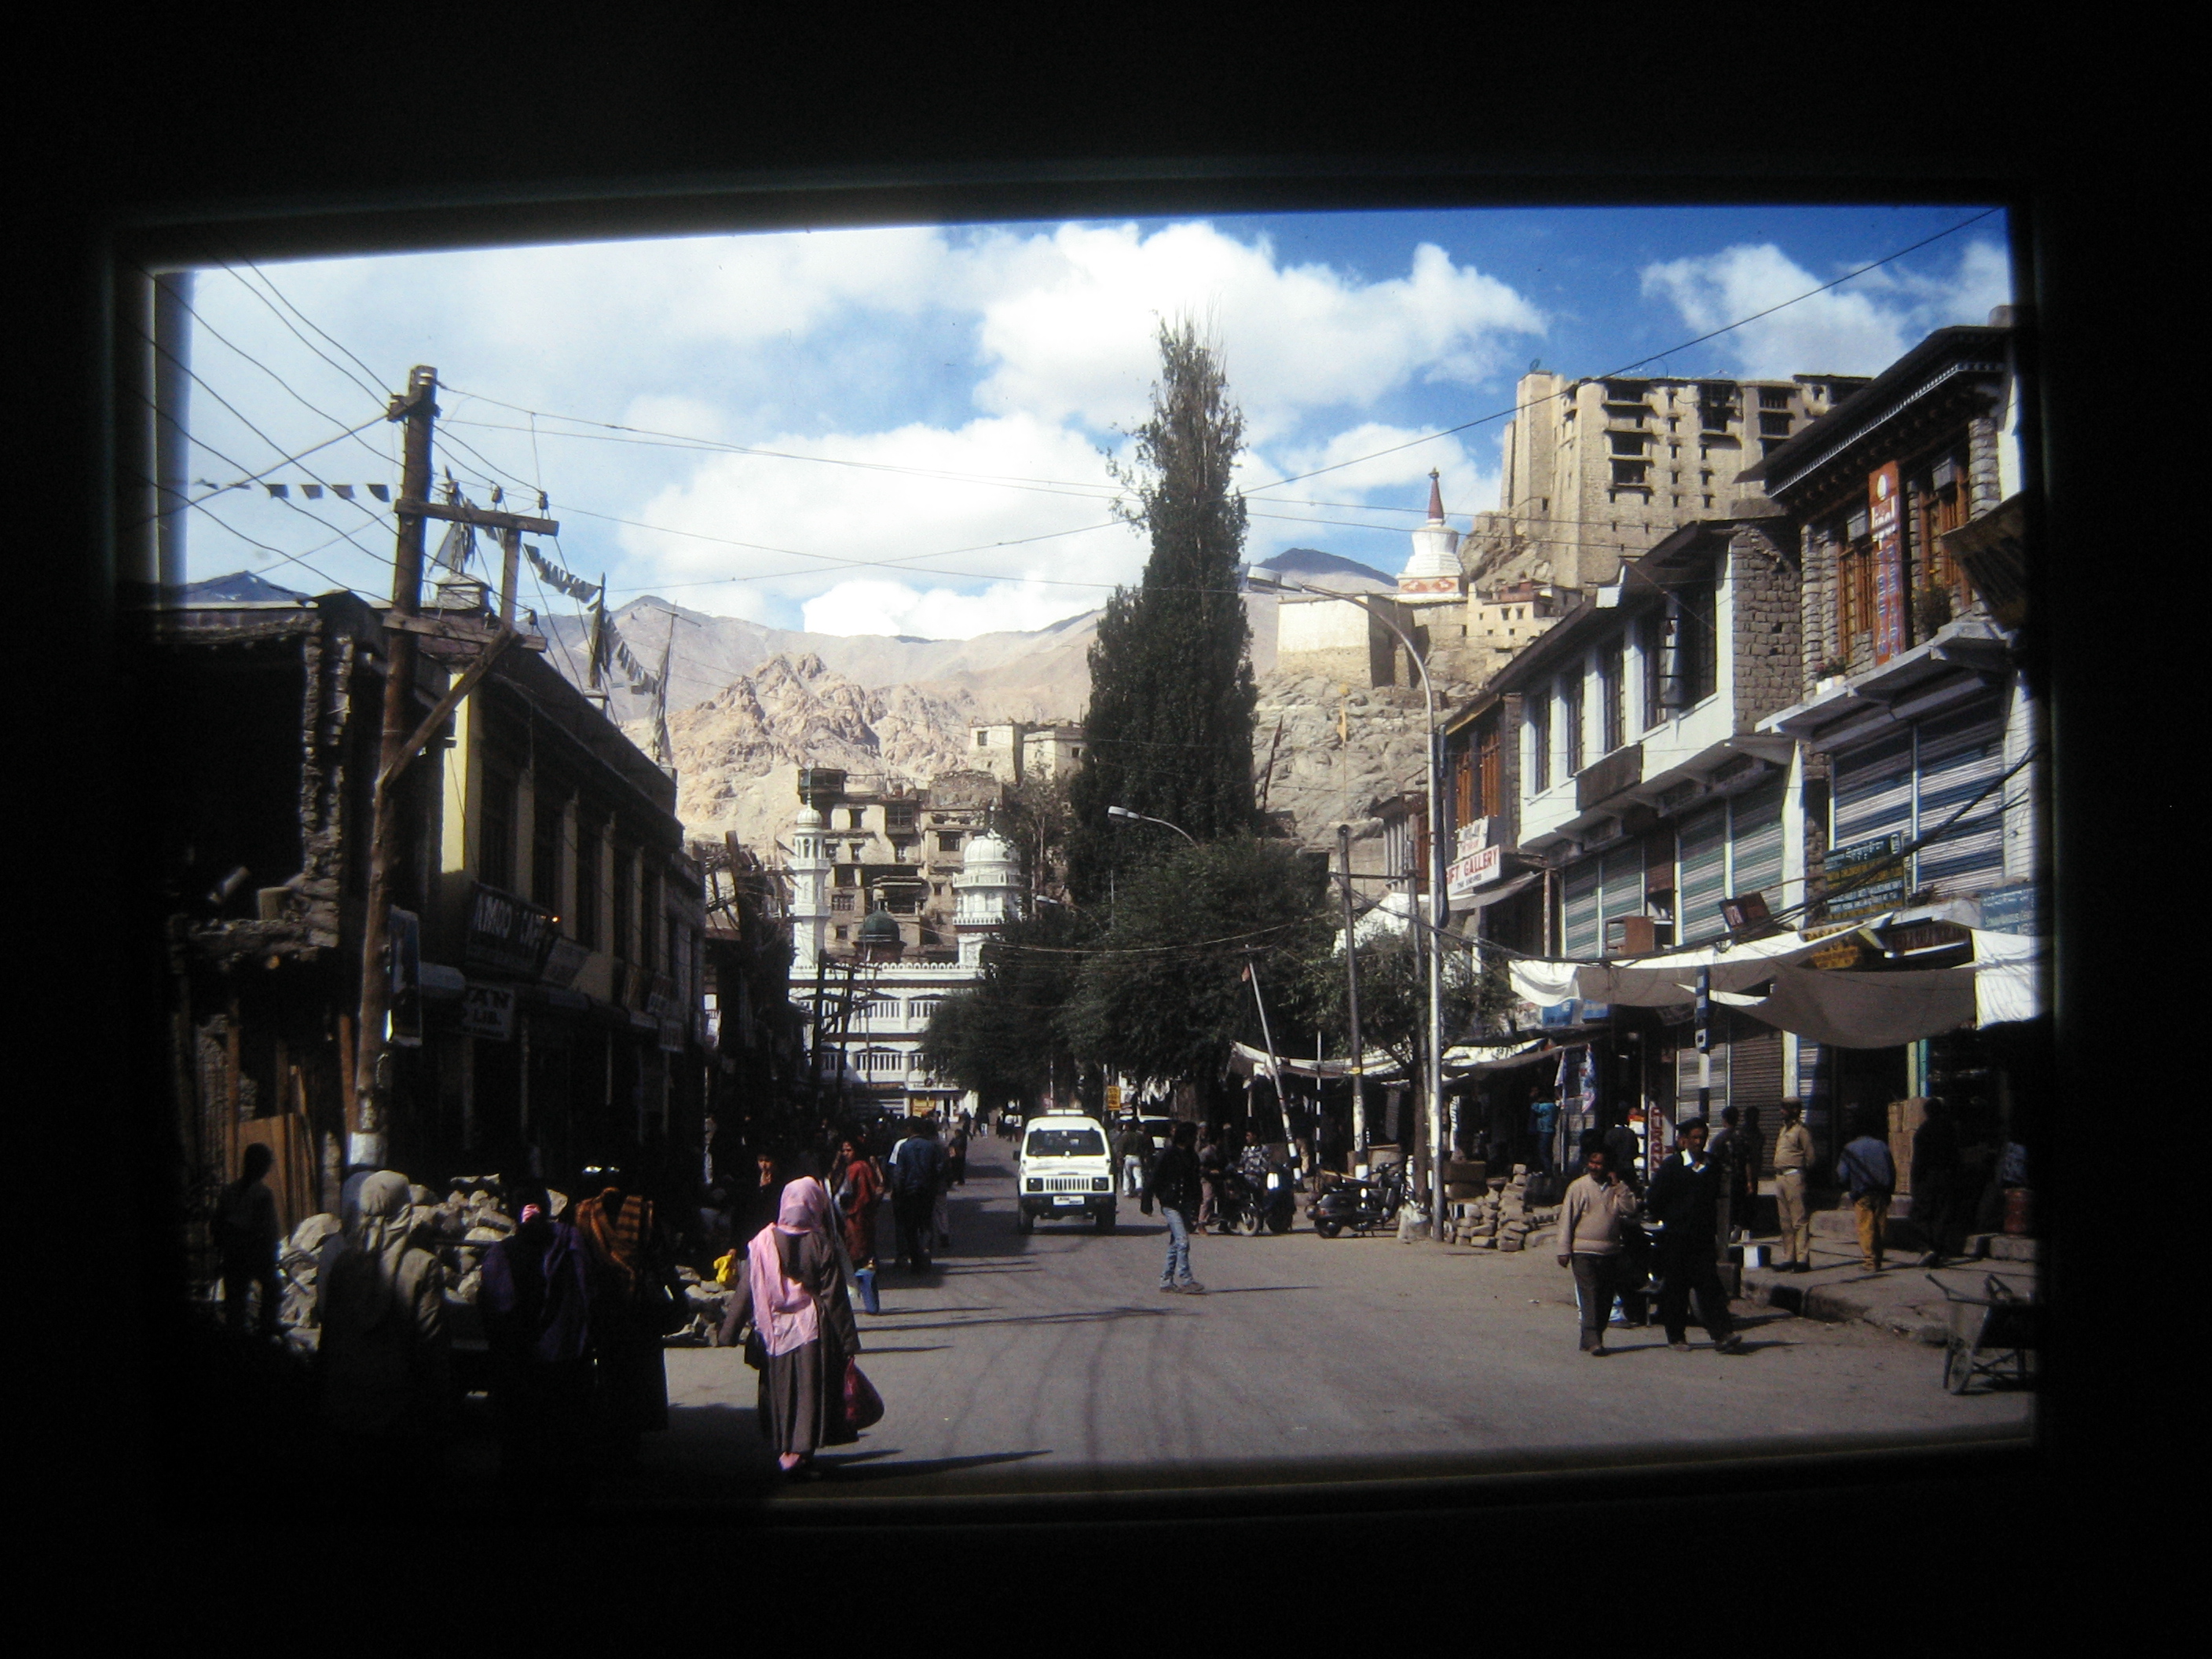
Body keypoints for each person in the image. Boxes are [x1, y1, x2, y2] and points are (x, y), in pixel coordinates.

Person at [720, 1175, 863, 1477]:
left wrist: (728, 1332)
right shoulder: (820, 1243)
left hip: (773, 1330)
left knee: (781, 1390)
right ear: (815, 1205)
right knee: (809, 1391)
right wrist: (848, 1342)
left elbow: (746, 1289)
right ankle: (801, 1452)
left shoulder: (762, 1243)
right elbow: (834, 1297)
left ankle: (786, 1449)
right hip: (813, 1330)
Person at [314, 1169, 453, 1456]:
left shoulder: (343, 1264)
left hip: (346, 1404)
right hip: (398, 1411)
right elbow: (431, 1342)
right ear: (405, 1211)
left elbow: (330, 1334)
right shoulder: (423, 1266)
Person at [478, 1179, 594, 1479]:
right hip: (566, 1363)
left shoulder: (501, 1255)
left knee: (522, 1452)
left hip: (520, 1369)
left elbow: (494, 1312)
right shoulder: (571, 1244)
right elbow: (588, 1297)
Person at [572, 1166, 679, 1455]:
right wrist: (678, 1296)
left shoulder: (583, 1214)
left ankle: (609, 1434)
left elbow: (577, 1262)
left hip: (602, 1309)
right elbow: (662, 1260)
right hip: (639, 1309)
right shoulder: (645, 1211)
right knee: (638, 1377)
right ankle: (630, 1438)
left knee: (608, 1374)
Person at [1646, 1119, 1744, 1353]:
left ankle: (1722, 1334)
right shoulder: (1672, 1166)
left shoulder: (1712, 1166)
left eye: (1702, 1138)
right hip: (1676, 1237)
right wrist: (1669, 1219)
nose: (1699, 1142)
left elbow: (1719, 1198)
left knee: (1709, 1286)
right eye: (1695, 1138)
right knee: (1676, 1288)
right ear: (1684, 1141)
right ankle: (1676, 1336)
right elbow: (1655, 1199)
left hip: (1703, 1237)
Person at [1558, 1144, 1640, 1356]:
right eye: (1592, 1163)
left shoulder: (1616, 1189)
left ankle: (1590, 1338)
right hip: (1583, 1251)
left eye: (1599, 1164)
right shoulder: (1579, 1187)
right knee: (1590, 1294)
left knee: (1605, 1297)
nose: (1595, 1167)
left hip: (1610, 1251)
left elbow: (1630, 1209)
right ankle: (1594, 1340)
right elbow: (1566, 1219)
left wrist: (1618, 1186)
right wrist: (1563, 1249)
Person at [212, 1143, 283, 1338]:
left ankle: (238, 1334)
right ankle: (265, 1330)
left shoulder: (230, 1191)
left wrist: (222, 1245)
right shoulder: (262, 1194)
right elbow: (267, 1229)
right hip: (252, 1252)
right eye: (266, 1164)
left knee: (235, 1299)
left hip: (233, 1253)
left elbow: (217, 1223)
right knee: (272, 1288)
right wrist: (270, 1253)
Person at [1141, 1119, 1204, 1294]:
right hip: (1170, 1204)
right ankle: (1186, 1280)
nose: (1195, 1139)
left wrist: (1197, 1201)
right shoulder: (1168, 1155)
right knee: (1183, 1241)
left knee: (1175, 1242)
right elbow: (1154, 1178)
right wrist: (1147, 1201)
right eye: (1193, 1136)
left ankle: (1166, 1280)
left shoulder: (1192, 1157)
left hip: (1185, 1203)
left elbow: (1195, 1181)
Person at [1837, 1111, 1897, 1273]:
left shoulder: (1850, 1148)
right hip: (1881, 1193)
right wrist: (1890, 1191)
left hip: (1862, 1194)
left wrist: (1848, 1188)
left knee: (1865, 1227)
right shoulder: (1882, 1146)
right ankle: (1878, 1258)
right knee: (1880, 1227)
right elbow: (1892, 1171)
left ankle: (1870, 1261)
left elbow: (1842, 1175)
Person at [888, 1114, 946, 1272]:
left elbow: (899, 1172)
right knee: (926, 1224)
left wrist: (897, 1191)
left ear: (910, 1129)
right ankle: (926, 1251)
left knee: (911, 1227)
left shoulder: (905, 1147)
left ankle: (915, 1260)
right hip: (927, 1192)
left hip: (909, 1193)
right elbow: (940, 1168)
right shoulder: (932, 1147)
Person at [1911, 1098, 1964, 1267]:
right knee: (1942, 1214)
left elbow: (1919, 1160)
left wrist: (1915, 1182)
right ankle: (1938, 1250)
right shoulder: (1950, 1129)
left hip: (1928, 1178)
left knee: (1922, 1213)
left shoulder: (1923, 1131)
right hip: (1947, 1176)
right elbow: (1956, 1155)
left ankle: (1927, 1248)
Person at [1772, 1098, 1815, 1273]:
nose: (1782, 1111)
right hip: (1780, 1176)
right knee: (1785, 1221)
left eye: (1786, 1108)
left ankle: (1802, 1258)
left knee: (1799, 1220)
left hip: (1794, 1176)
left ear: (1795, 1110)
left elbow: (1810, 1157)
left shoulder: (1801, 1131)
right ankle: (1788, 1257)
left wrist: (1803, 1174)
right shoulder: (1783, 1130)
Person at [833, 1133, 884, 1272]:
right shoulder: (862, 1166)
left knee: (856, 1245)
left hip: (856, 1213)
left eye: (849, 1150)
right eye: (843, 1151)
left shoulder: (856, 1168)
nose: (845, 1154)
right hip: (863, 1213)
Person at [1115, 1115, 1152, 1199]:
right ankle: (1139, 1189)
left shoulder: (1125, 1136)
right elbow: (1144, 1147)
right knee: (1138, 1175)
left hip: (1128, 1157)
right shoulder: (1140, 1136)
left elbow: (1121, 1148)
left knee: (1127, 1175)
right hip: (1137, 1157)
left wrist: (1120, 1158)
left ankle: (1127, 1191)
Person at [1603, 1117, 1643, 1196]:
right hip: (1629, 1167)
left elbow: (1606, 1151)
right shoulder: (1630, 1133)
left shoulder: (1610, 1133)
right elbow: (1635, 1152)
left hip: (1614, 1168)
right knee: (1630, 1192)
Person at [1196, 1127, 1227, 1230]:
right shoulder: (1206, 1152)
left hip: (1219, 1178)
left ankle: (1224, 1223)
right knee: (1208, 1198)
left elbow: (1225, 1162)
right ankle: (1201, 1223)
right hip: (1206, 1178)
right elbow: (1199, 1166)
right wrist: (1209, 1171)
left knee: (1224, 1197)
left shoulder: (1221, 1151)